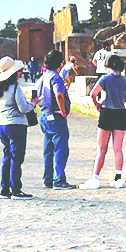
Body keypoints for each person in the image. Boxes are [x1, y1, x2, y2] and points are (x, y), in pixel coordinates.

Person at [84, 54, 126, 189]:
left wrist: (97, 104)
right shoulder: (125, 81)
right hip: (120, 113)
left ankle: (96, 177)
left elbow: (93, 93)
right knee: (118, 149)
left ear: (108, 66)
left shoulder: (105, 79)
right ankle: (118, 178)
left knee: (101, 149)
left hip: (107, 112)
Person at [0, 57, 35, 198]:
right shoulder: (15, 88)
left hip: (2, 124)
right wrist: (33, 104)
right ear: (14, 73)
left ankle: (5, 189)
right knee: (17, 159)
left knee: (7, 157)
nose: (21, 73)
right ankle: (16, 189)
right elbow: (23, 108)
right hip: (16, 125)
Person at [36, 48, 75, 189]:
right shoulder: (56, 77)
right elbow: (58, 94)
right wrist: (63, 111)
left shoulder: (42, 78)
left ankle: (48, 178)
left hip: (45, 116)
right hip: (56, 116)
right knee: (61, 149)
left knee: (48, 149)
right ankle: (59, 180)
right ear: (60, 63)